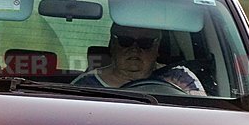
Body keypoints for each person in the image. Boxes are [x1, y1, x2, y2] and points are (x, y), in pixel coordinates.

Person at [72, 23, 206, 95]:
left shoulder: (180, 77)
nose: (134, 49)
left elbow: (202, 117)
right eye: (125, 41)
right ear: (112, 45)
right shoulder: (86, 84)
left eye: (145, 42)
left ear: (157, 48)